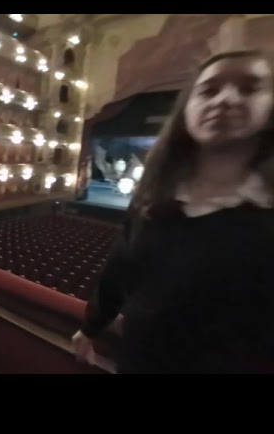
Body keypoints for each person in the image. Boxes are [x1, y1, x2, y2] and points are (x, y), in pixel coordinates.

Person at [71, 50, 274, 373]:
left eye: (249, 88)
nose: (226, 99)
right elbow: (118, 272)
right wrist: (91, 327)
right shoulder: (154, 198)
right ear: (187, 108)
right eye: (209, 90)